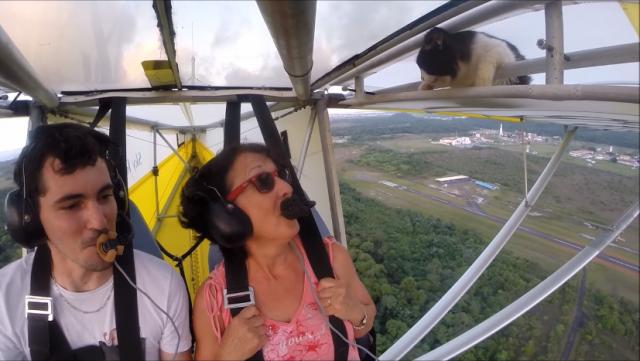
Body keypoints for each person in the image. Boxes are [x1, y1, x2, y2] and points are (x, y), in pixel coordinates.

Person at [0, 122, 192, 360]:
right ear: (31, 219)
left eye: (104, 196)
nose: (99, 222)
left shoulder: (163, 286)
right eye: (71, 205)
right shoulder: (5, 299)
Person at [180, 143, 376, 360]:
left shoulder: (331, 259)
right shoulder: (213, 301)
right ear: (225, 217)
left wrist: (355, 311)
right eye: (264, 180)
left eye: (281, 175)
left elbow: (364, 324)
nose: (286, 187)